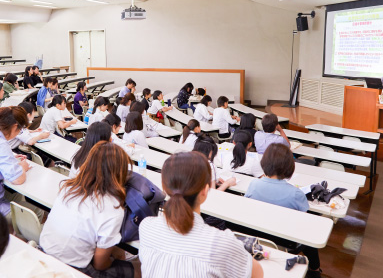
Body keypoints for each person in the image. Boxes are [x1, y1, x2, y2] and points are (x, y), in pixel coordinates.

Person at [138, 151, 263, 278]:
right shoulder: (220, 242)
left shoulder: (146, 227)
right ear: (205, 191)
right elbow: (257, 274)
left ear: (164, 188)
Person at [40, 141, 139, 278]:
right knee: (137, 269)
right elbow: (100, 265)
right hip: (71, 270)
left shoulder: (68, 187)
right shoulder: (112, 208)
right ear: (119, 173)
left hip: (43, 253)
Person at [245, 143, 321, 277]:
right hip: (286, 242)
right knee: (310, 233)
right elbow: (305, 222)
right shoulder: (296, 194)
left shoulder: (253, 185)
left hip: (258, 237)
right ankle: (314, 270)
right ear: (289, 166)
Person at [0, 106, 44, 225]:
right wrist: (22, 167)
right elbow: (18, 179)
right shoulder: (2, 144)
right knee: (37, 211)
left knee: (17, 195)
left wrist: (12, 158)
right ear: (15, 127)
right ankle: (20, 241)